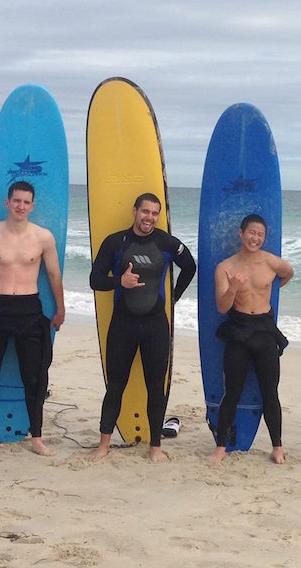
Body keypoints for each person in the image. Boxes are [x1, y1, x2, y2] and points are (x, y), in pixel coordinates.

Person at [88, 193, 196, 462]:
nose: (149, 217)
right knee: (115, 386)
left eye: (154, 213)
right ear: (135, 211)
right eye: (145, 211)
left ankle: (156, 447)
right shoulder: (116, 242)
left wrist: (173, 298)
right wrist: (118, 283)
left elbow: (190, 266)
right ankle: (103, 445)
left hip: (155, 325)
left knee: (155, 386)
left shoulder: (166, 242)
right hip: (123, 324)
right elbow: (95, 279)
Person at [0, 181, 65, 457]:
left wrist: (61, 309)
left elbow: (54, 275)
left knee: (34, 376)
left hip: (29, 310)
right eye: (16, 201)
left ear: (32, 206)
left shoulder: (43, 238)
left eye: (26, 202)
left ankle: (38, 438)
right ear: (7, 203)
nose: (20, 206)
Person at [207, 214, 294, 465]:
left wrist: (275, 288)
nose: (255, 238)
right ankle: (220, 447)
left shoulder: (270, 262)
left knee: (270, 391)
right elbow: (222, 307)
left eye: (260, 234)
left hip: (265, 331)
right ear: (241, 233)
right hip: (238, 329)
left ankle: (277, 446)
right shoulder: (225, 267)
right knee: (232, 391)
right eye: (251, 232)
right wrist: (233, 288)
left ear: (264, 238)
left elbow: (288, 273)